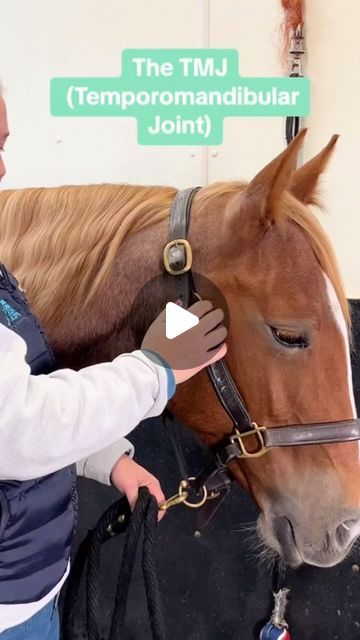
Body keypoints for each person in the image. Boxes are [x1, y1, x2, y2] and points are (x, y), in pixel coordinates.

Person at [0, 88, 227, 639]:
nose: (2, 166)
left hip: (30, 585)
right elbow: (17, 428)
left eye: (2, 144)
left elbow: (27, 389)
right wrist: (155, 368)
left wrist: (108, 460)